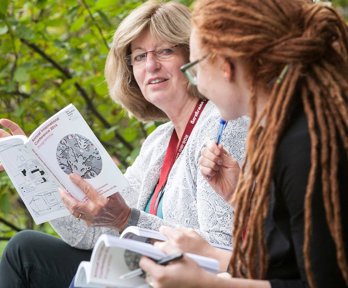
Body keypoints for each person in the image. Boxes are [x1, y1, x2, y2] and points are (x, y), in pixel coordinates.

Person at [0, 1, 248, 287]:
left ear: (192, 55)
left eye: (165, 51)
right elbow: (93, 235)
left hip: (181, 278)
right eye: (140, 57)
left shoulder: (223, 124)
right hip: (136, 272)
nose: (151, 65)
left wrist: (127, 220)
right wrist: (31, 170)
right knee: (25, 249)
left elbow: (220, 248)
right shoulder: (157, 141)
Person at [139, 0, 348, 287]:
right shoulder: (284, 132)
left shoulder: (308, 146)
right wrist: (239, 197)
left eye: (196, 69)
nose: (197, 85)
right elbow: (285, 263)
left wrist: (208, 284)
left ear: (225, 66)